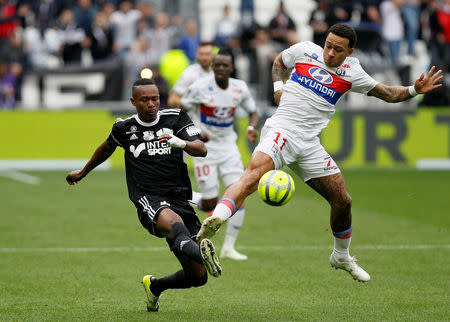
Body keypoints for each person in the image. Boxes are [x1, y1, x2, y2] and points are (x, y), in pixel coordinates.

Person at [197, 24, 443, 282]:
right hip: (282, 130)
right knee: (252, 176)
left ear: (350, 51)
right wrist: (278, 88)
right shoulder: (305, 51)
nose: (330, 53)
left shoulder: (353, 72)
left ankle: (341, 256)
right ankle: (214, 221)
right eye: (328, 45)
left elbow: (388, 94)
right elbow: (280, 61)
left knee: (343, 200)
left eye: (338, 49)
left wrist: (414, 90)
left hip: (309, 144)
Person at [65, 78, 222, 312]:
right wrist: (83, 171)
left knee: (198, 276)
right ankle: (200, 250)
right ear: (133, 101)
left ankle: (155, 286)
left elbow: (201, 149)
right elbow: (106, 148)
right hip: (149, 199)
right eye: (145, 100)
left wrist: (178, 142)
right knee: (175, 225)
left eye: (155, 98)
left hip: (180, 198)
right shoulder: (124, 127)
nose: (151, 104)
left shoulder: (175, 118)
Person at [181, 48, 259, 261]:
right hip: (204, 150)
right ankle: (181, 195)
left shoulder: (239, 88)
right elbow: (183, 107)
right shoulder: (200, 87)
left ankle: (229, 247)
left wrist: (252, 128)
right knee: (209, 203)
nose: (221, 69)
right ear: (213, 67)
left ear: (232, 67)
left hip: (228, 147)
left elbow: (253, 111)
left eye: (225, 65)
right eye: (218, 65)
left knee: (239, 194)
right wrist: (196, 130)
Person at [168, 41, 214, 108]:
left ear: (213, 55)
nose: (204, 57)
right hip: (194, 118)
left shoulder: (218, 73)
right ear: (196, 55)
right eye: (201, 54)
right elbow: (172, 100)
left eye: (207, 54)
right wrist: (191, 104)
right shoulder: (190, 72)